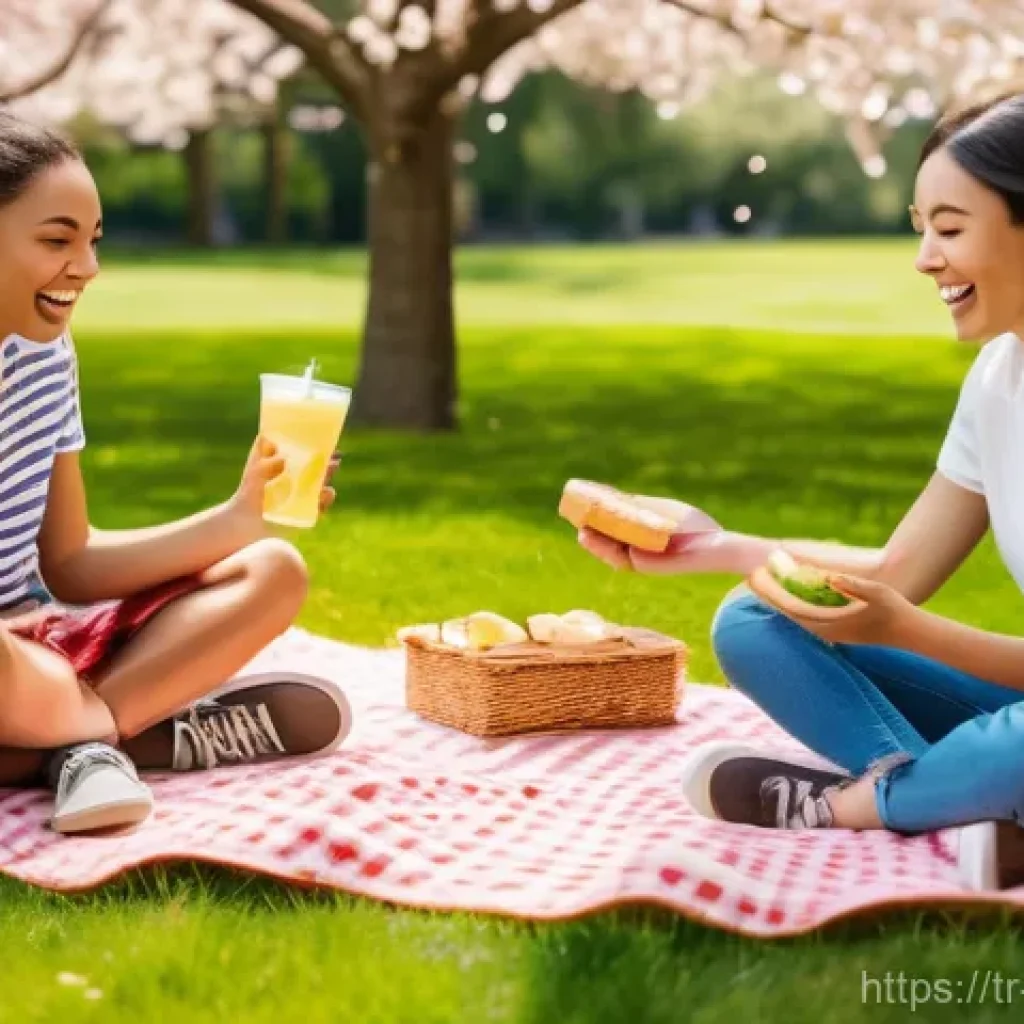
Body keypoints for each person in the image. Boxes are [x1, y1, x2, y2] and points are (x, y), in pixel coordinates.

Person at [578, 91, 1024, 891]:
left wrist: (911, 634)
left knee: (1012, 750)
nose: (925, 258)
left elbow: (901, 613)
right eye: (920, 228)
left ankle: (854, 805)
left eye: (951, 229)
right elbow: (896, 573)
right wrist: (722, 550)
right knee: (757, 616)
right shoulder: (999, 380)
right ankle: (950, 803)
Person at [0, 111, 351, 835]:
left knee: (272, 569)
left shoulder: (47, 360)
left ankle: (79, 743)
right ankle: (116, 739)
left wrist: (240, 517)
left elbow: (70, 563)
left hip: (38, 652)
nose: (87, 267)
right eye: (56, 239)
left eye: (92, 242)